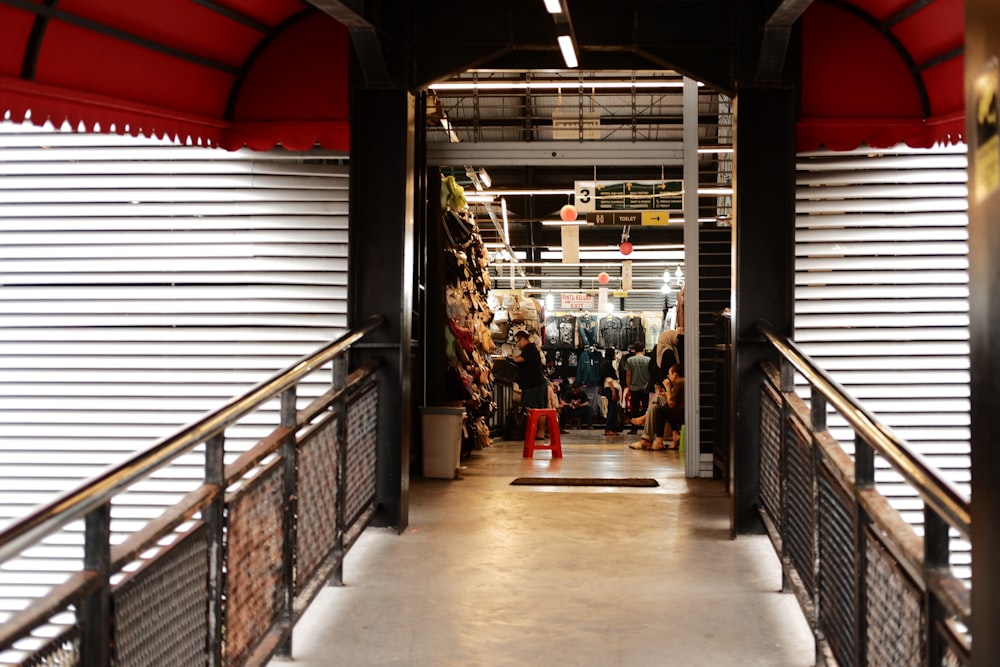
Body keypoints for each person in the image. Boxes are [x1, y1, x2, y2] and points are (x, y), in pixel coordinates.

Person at [629, 364, 685, 450]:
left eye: (669, 375)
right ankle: (668, 435)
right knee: (657, 401)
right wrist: (665, 394)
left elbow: (671, 404)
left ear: (675, 375)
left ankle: (650, 436)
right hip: (682, 411)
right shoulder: (682, 383)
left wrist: (668, 389)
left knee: (656, 408)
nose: (668, 377)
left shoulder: (679, 384)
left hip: (682, 413)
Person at [509, 330, 550, 439]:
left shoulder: (530, 348)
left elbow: (521, 359)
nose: (517, 345)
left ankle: (540, 432)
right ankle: (536, 431)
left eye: (517, 342)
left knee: (537, 409)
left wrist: (512, 358)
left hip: (535, 385)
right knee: (536, 408)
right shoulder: (530, 349)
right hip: (533, 385)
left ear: (522, 339)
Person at [623, 342, 650, 433]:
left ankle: (634, 429)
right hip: (646, 388)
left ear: (634, 349)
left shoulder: (630, 360)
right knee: (646, 408)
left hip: (634, 388)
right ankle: (646, 428)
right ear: (643, 349)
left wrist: (628, 386)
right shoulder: (648, 360)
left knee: (634, 409)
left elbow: (628, 374)